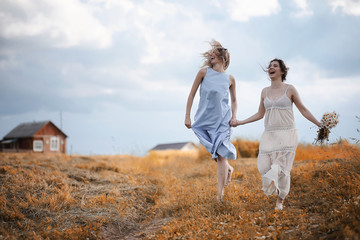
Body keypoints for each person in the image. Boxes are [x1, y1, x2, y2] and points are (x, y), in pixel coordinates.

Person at [232, 58, 321, 210]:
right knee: (265, 166)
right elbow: (260, 114)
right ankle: (276, 189)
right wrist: (240, 122)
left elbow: (303, 110)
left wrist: (320, 125)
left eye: (275, 66)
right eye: (270, 66)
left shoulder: (290, 89)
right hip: (270, 134)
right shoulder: (264, 91)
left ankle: (280, 200)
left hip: (287, 133)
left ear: (282, 71)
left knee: (282, 168)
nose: (271, 68)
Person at [185, 40, 238, 202]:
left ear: (223, 57)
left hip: (223, 121)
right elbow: (192, 94)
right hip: (204, 121)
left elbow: (234, 100)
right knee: (217, 155)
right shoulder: (204, 72)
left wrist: (234, 116)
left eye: (213, 53)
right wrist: (187, 115)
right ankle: (228, 169)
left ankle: (220, 195)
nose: (210, 55)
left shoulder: (230, 78)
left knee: (221, 156)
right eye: (210, 54)